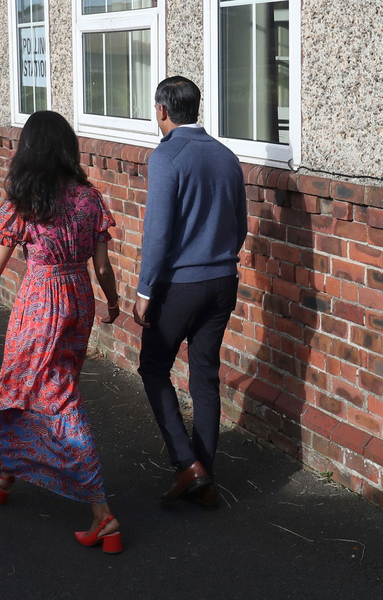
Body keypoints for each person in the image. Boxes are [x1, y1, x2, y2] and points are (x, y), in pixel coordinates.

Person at [0, 111, 123, 553]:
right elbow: (104, 267)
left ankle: (102, 513)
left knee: (44, 394)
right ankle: (7, 473)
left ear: (29, 150)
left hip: (39, 305)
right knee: (41, 386)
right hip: (78, 300)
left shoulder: (24, 201)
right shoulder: (89, 199)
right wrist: (112, 302)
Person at [134, 76, 247, 510]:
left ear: (162, 111)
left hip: (181, 285)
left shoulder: (166, 156)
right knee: (204, 375)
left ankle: (186, 463)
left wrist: (145, 289)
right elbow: (241, 226)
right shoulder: (227, 155)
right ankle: (204, 475)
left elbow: (157, 232)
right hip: (224, 282)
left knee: (154, 367)